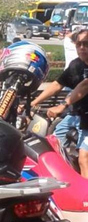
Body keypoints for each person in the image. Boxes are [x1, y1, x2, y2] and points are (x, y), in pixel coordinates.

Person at [30, 28, 88, 178]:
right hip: (76, 115)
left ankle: (84, 197)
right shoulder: (76, 64)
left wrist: (62, 105)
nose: (82, 47)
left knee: (84, 158)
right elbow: (57, 84)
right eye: (78, 44)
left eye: (86, 44)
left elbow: (84, 86)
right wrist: (33, 103)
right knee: (53, 146)